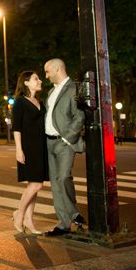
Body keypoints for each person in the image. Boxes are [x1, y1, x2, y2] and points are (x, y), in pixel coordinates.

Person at [43, 58, 86, 237]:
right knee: (55, 183)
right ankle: (63, 223)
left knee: (63, 178)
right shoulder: (52, 91)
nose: (46, 76)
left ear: (58, 69)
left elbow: (79, 115)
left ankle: (75, 215)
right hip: (49, 142)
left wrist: (68, 138)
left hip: (63, 142)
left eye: (47, 72)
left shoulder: (74, 88)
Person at [11, 71, 48, 235]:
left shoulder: (40, 102)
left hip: (42, 147)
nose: (39, 81)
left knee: (35, 186)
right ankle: (19, 214)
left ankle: (29, 220)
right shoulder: (20, 102)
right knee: (36, 184)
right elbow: (17, 127)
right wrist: (19, 149)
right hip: (28, 147)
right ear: (26, 83)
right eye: (35, 79)